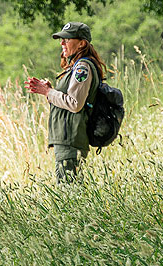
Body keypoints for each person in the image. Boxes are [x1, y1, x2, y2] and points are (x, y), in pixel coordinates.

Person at [24, 22, 107, 183]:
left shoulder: (82, 67)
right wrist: (50, 92)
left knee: (68, 194)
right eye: (61, 39)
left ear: (82, 43)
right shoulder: (77, 66)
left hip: (71, 140)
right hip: (68, 140)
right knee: (70, 194)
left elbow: (75, 104)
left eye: (67, 39)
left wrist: (48, 91)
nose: (62, 43)